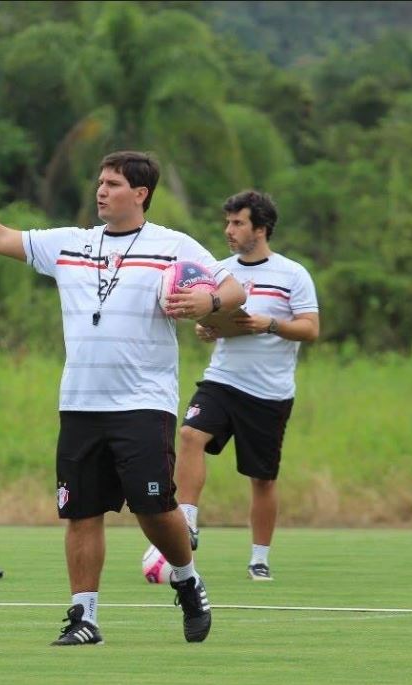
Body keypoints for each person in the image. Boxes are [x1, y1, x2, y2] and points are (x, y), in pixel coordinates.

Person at [0, 151, 245, 645]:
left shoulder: (173, 246)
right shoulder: (72, 244)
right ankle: (85, 617)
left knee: (153, 508)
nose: (101, 191)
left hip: (143, 402)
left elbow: (234, 289)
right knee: (81, 511)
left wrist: (208, 301)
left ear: (140, 193)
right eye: (100, 182)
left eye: (114, 184)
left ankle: (187, 579)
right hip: (80, 403)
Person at [178, 190, 319, 581]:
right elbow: (207, 322)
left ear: (261, 228)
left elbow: (310, 329)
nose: (229, 230)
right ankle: (186, 521)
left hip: (269, 393)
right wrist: (209, 329)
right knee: (190, 434)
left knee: (262, 479)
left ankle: (259, 558)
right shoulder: (220, 272)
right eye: (228, 222)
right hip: (222, 381)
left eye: (238, 223)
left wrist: (268, 324)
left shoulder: (293, 274)